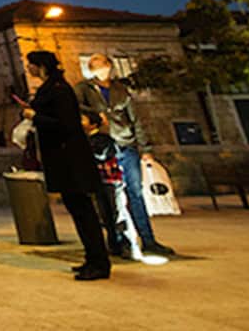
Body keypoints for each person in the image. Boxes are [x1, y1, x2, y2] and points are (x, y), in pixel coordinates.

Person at [21, 51, 111, 281]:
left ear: (41, 66)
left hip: (71, 158)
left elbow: (66, 123)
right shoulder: (51, 87)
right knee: (78, 210)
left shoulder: (59, 89)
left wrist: (34, 116)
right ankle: (93, 258)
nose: (28, 68)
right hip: (63, 158)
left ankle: (99, 262)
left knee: (84, 212)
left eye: (31, 64)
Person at [76, 54, 175, 256]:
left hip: (125, 144)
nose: (100, 71)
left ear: (109, 67)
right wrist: (95, 116)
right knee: (110, 197)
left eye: (102, 66)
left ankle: (147, 239)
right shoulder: (84, 89)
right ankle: (118, 241)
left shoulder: (121, 90)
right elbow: (75, 107)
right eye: (95, 67)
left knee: (135, 194)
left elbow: (135, 119)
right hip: (102, 148)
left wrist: (145, 149)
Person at [82, 113, 144, 261]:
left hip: (111, 181)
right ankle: (113, 244)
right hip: (98, 182)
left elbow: (104, 155)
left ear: (93, 124)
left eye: (83, 119)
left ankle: (125, 244)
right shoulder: (85, 140)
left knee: (118, 213)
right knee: (105, 214)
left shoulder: (104, 139)